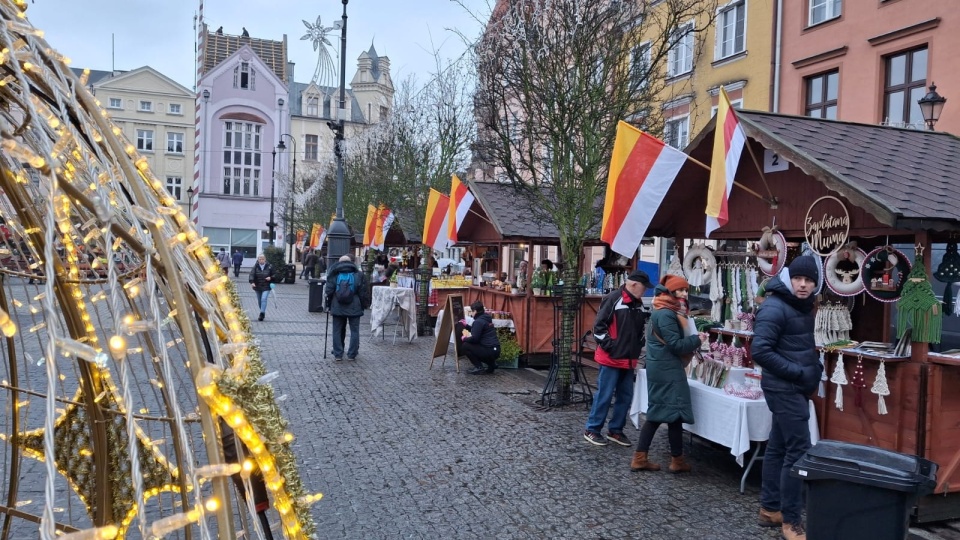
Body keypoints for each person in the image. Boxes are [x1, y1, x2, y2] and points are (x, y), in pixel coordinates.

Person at [750, 256, 821, 540]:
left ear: (816, 282)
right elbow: (760, 351)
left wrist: (811, 369)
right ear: (789, 279)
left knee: (778, 447)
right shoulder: (776, 307)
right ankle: (791, 521)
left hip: (792, 387)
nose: (803, 285)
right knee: (798, 451)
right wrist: (799, 372)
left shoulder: (799, 306)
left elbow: (798, 345)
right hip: (785, 388)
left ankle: (770, 509)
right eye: (798, 279)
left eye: (809, 280)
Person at [631, 275, 709, 473]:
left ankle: (675, 459)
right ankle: (645, 458)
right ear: (670, 292)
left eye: (685, 290)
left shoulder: (664, 309)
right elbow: (675, 344)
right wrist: (697, 340)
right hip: (667, 369)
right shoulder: (666, 313)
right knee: (661, 413)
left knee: (671, 414)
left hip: (663, 366)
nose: (684, 294)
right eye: (680, 290)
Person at [583, 269, 652, 446]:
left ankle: (616, 430)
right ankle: (592, 429)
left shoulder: (638, 303)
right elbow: (598, 327)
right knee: (604, 395)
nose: (645, 292)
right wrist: (611, 347)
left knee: (625, 396)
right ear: (634, 284)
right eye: (644, 288)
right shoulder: (613, 298)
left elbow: (639, 330)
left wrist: (637, 346)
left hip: (628, 359)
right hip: (611, 358)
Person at [325, 255, 370, 361]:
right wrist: (364, 305)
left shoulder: (334, 274)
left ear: (339, 263)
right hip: (354, 305)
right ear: (351, 262)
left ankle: (338, 354)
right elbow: (363, 292)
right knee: (355, 330)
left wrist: (328, 305)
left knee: (337, 330)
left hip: (337, 305)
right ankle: (352, 354)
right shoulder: (358, 275)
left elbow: (328, 291)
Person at [460, 300, 501, 375]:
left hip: (489, 350)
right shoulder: (486, 317)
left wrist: (464, 338)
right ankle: (492, 364)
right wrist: (466, 326)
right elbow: (479, 330)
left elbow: (475, 339)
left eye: (471, 311)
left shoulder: (478, 322)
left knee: (465, 346)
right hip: (496, 350)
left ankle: (479, 367)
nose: (471, 313)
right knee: (480, 347)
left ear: (475, 311)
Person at [248, 254, 274, 321]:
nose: (261, 260)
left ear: (265, 259)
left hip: (266, 286)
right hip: (258, 286)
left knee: (264, 299)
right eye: (260, 259)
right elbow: (251, 275)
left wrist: (270, 277)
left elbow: (275, 274)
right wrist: (252, 282)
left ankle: (261, 313)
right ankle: (263, 311)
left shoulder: (270, 266)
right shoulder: (255, 267)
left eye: (262, 259)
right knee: (260, 301)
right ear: (258, 260)